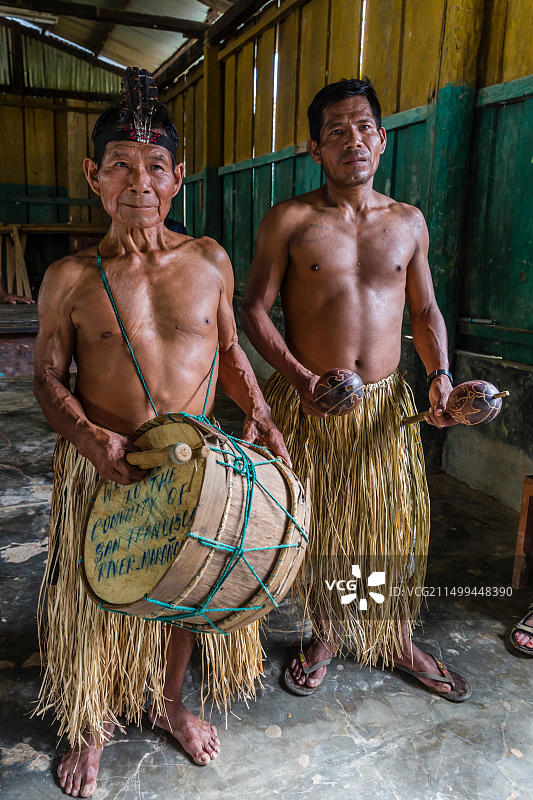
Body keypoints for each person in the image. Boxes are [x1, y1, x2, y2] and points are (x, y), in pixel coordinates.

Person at [33, 69, 289, 797]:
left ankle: (168, 699)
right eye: (119, 165)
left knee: (183, 590)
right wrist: (91, 441)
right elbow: (48, 379)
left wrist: (263, 418)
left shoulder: (207, 260)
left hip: (194, 464)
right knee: (92, 593)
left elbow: (231, 351)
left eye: (153, 167)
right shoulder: (69, 278)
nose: (137, 181)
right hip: (103, 463)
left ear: (178, 176)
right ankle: (90, 719)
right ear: (93, 176)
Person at [241, 78, 471, 702]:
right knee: (324, 525)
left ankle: (392, 634)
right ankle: (327, 632)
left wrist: (441, 377)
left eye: (364, 127)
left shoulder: (408, 223)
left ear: (383, 139)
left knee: (385, 525)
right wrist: (300, 380)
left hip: (384, 407)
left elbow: (424, 313)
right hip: (311, 403)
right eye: (336, 132)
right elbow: (255, 311)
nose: (354, 141)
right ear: (314, 148)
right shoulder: (290, 220)